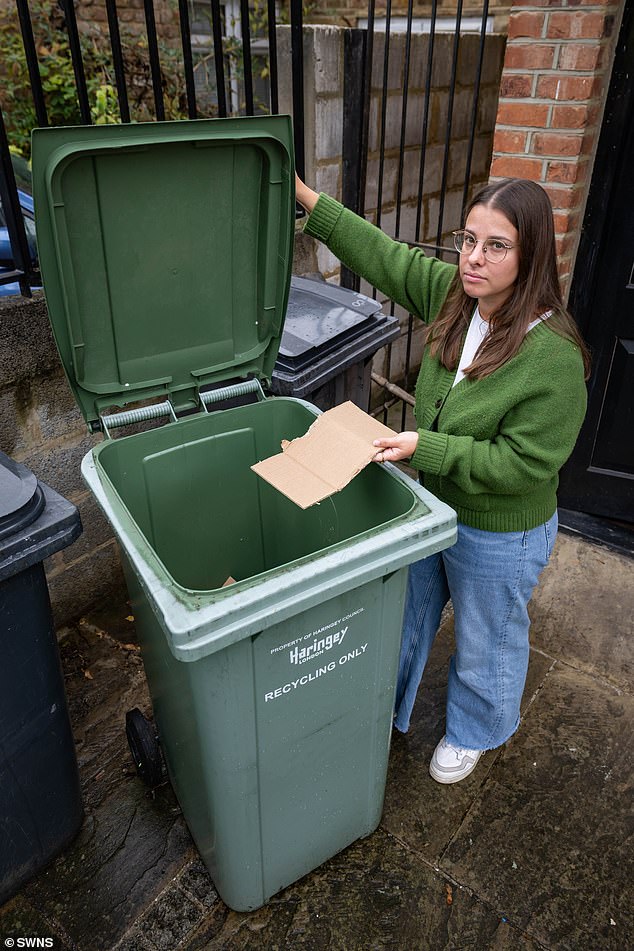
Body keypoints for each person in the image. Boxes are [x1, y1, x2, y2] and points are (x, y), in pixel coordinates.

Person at [294, 174, 590, 784]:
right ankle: (384, 711)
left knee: (487, 638)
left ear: (531, 252)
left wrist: (425, 447)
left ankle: (475, 731)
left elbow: (522, 465)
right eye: (468, 240)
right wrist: (304, 197)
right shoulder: (458, 296)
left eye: (496, 246)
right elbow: (384, 253)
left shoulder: (555, 356)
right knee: (405, 613)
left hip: (500, 531)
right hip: (432, 506)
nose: (473, 259)